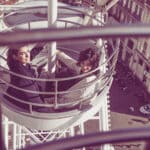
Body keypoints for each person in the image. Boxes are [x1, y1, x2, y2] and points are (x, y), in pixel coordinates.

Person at [4, 44, 48, 112]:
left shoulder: (17, 63)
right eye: (22, 54)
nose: (28, 55)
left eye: (27, 51)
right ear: (15, 57)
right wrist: (49, 112)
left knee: (44, 73)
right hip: (24, 104)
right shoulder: (22, 76)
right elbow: (34, 100)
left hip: (18, 93)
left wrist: (42, 43)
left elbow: (31, 54)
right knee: (44, 74)